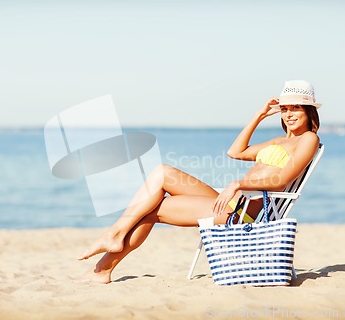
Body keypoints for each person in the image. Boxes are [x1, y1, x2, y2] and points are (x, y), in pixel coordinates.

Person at [78, 80, 321, 284]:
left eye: (296, 108)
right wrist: (258, 115)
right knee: (162, 172)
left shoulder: (308, 138)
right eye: (285, 109)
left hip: (245, 213)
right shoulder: (278, 141)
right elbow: (235, 151)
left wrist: (239, 184)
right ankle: (113, 238)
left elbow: (284, 179)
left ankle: (103, 267)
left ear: (309, 111)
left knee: (150, 209)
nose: (289, 114)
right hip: (230, 203)